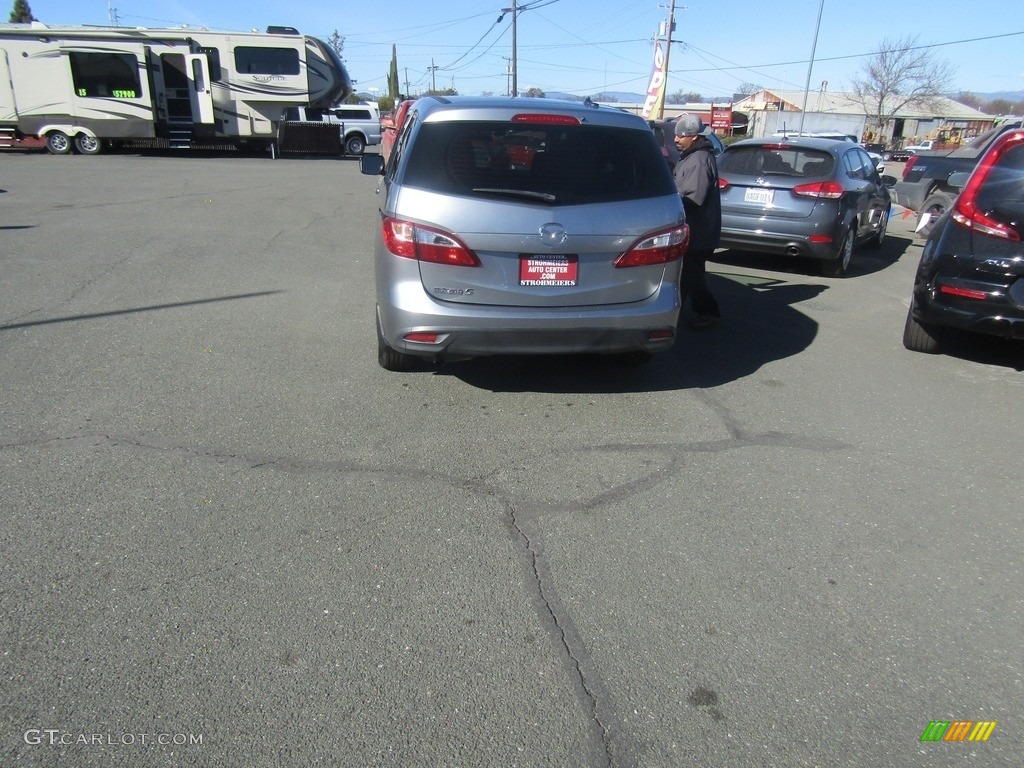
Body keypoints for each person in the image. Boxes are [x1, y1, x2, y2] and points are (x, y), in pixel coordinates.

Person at [673, 114, 722, 330]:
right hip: (694, 229)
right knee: (684, 273)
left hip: (697, 230)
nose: (676, 139)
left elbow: (693, 198)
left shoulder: (699, 160)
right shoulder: (691, 156)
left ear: (694, 137)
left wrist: (673, 213)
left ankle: (708, 312)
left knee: (692, 274)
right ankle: (677, 309)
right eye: (676, 134)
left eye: (681, 135)